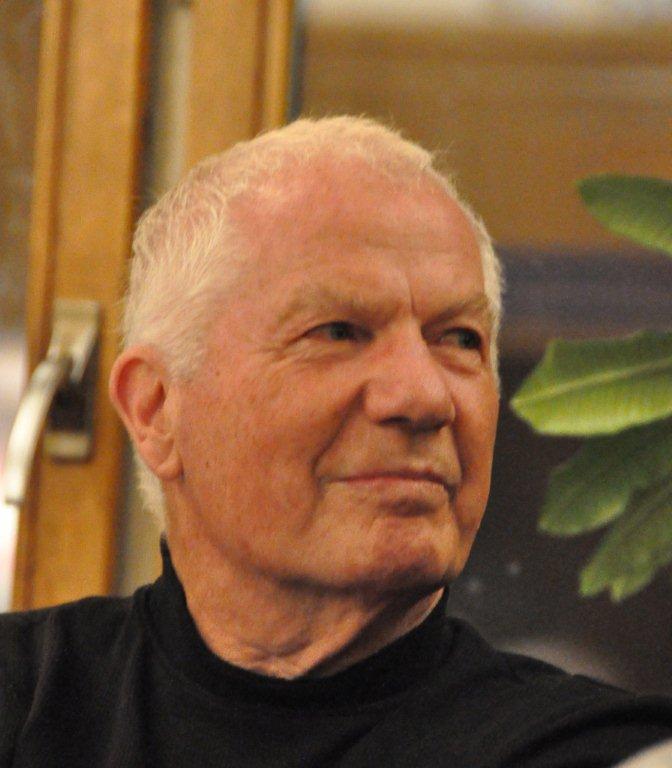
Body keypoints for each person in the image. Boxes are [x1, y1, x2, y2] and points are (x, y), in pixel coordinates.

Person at [1, 116, 671, 767]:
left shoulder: (595, 750)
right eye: (338, 332)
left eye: (459, 339)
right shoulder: (25, 702)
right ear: (156, 410)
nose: (425, 397)